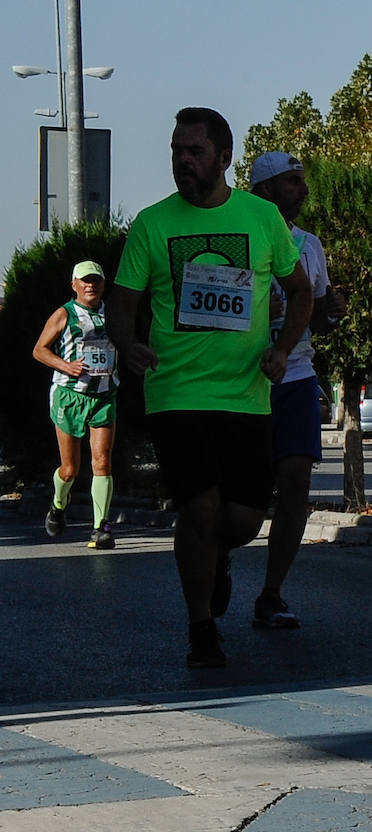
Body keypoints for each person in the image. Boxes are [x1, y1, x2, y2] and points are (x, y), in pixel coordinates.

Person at [106, 107, 313, 670]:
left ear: (224, 158)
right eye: (176, 150)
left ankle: (216, 556)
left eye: (194, 151)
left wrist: (282, 349)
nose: (183, 160)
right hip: (176, 391)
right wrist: (128, 345)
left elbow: (301, 292)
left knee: (243, 518)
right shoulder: (152, 224)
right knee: (197, 506)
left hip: (246, 392)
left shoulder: (262, 218)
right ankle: (202, 629)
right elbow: (121, 305)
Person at [248, 151, 348, 630]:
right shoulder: (240, 235)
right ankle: (219, 558)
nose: (303, 190)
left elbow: (320, 311)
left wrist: (331, 311)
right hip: (242, 380)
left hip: (297, 377)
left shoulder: (310, 245)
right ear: (264, 190)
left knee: (294, 485)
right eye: (292, 182)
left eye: (302, 180)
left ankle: (272, 593)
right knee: (242, 497)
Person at [32, 261, 119, 549]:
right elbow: (39, 350)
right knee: (70, 469)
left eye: (95, 280)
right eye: (84, 281)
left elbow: (127, 342)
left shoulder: (114, 314)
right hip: (69, 396)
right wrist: (66, 366)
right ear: (74, 285)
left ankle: (101, 528)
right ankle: (58, 504)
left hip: (104, 395)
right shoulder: (64, 314)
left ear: (103, 284)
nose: (90, 285)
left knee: (102, 462)